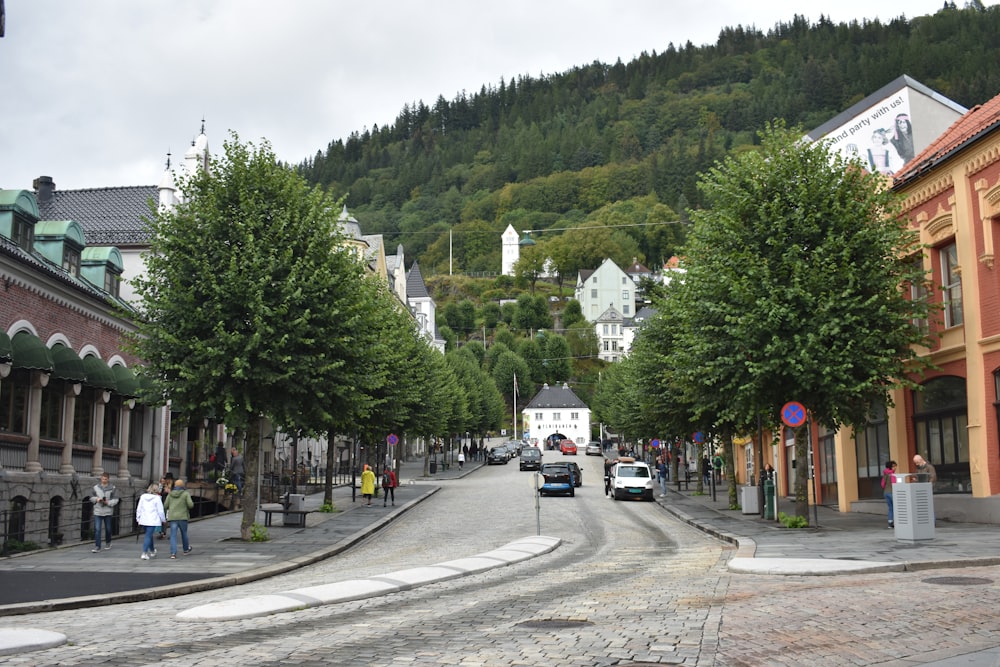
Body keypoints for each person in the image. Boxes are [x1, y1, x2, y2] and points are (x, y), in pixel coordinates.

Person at [163, 478, 194, 558]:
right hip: (183, 516)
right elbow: (190, 505)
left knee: (173, 535)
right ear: (182, 485)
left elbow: (165, 505)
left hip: (173, 517)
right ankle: (185, 550)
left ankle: (173, 553)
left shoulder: (170, 494)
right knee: (184, 533)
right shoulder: (185, 494)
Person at [90, 473, 119, 553]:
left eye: (105, 479)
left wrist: (108, 502)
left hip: (108, 511)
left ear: (108, 479)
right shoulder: (95, 487)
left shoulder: (113, 488)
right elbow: (91, 497)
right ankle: (97, 546)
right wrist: (97, 499)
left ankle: (108, 542)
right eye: (103, 479)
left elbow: (116, 499)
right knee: (97, 529)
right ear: (101, 479)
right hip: (98, 511)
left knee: (108, 529)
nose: (104, 480)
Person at [136, 482, 166, 560]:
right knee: (148, 536)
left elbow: (139, 508)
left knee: (148, 535)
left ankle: (152, 550)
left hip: (143, 519)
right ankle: (144, 553)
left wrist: (138, 518)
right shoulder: (157, 498)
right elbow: (160, 511)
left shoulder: (142, 497)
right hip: (152, 520)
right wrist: (163, 520)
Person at [157, 473, 173, 540]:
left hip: (170, 504)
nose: (166, 480)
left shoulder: (173, 486)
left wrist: (169, 492)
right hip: (163, 503)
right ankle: (162, 532)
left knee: (169, 519)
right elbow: (160, 493)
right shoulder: (163, 486)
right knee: (163, 518)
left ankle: (168, 533)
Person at [882, 461, 897, 528]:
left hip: (886, 493)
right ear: (891, 467)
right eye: (894, 466)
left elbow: (882, 484)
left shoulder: (885, 474)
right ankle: (898, 522)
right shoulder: (893, 475)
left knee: (891, 508)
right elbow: (894, 484)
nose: (895, 467)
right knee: (896, 507)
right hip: (892, 493)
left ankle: (890, 522)